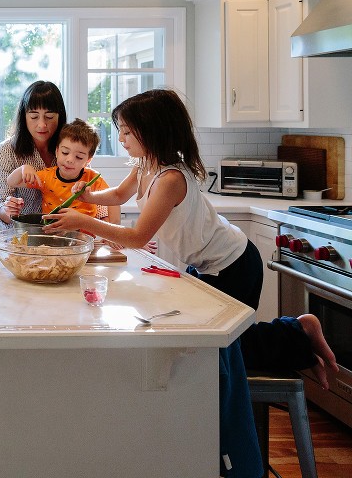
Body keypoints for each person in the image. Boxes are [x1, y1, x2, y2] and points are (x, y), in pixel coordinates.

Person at [43, 88, 338, 477]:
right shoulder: (145, 165)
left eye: (128, 132)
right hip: (209, 265)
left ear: (152, 132)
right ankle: (293, 334)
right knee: (218, 344)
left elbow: (133, 237)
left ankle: (298, 331)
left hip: (233, 264)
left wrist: (81, 220)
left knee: (223, 345)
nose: (122, 139)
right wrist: (80, 191)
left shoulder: (169, 178)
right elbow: (117, 193)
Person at [6, 118, 119, 225]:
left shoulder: (93, 178)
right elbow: (12, 182)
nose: (70, 160)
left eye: (79, 157)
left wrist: (113, 231)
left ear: (88, 160)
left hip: (84, 239)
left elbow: (114, 200)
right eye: (65, 152)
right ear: (57, 151)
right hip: (53, 236)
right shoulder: (46, 176)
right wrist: (23, 168)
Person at [0, 80, 66, 228]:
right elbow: (0, 203)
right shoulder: (6, 151)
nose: (42, 124)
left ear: (60, 117)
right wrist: (8, 210)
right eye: (34, 117)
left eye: (49, 116)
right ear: (23, 117)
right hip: (19, 238)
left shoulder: (70, 148)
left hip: (61, 235)